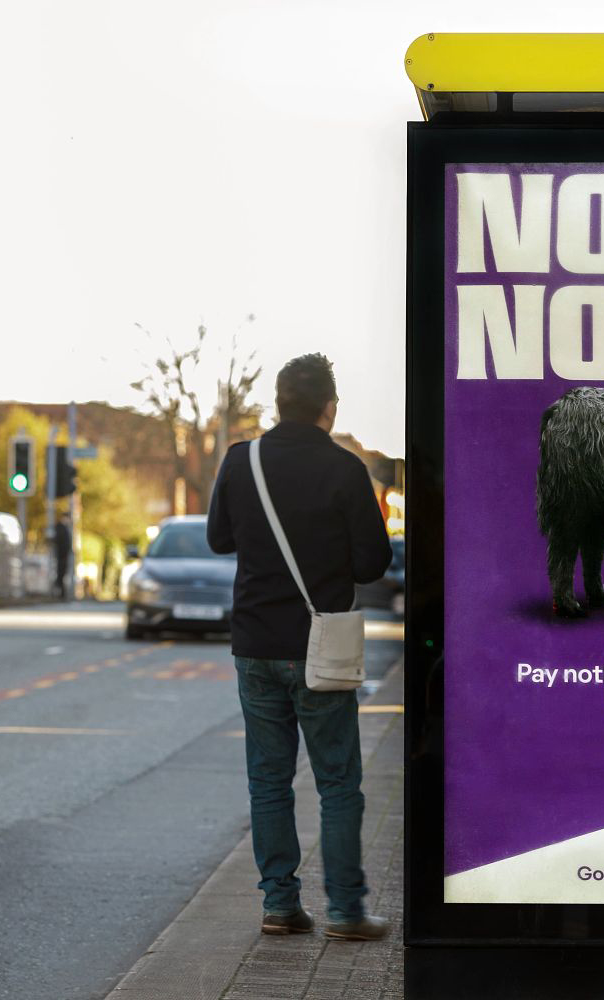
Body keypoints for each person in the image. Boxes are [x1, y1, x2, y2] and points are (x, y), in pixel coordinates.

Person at [207, 353, 393, 941]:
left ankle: (280, 906)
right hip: (323, 648)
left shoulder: (243, 462)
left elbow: (218, 539)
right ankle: (344, 910)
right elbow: (373, 562)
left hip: (256, 644)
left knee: (269, 781)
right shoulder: (346, 470)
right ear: (329, 408)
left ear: (278, 404)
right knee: (338, 782)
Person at [52, 514, 72, 601]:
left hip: (63, 555)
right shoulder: (60, 527)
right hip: (61, 555)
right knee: (60, 574)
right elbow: (60, 541)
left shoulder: (64, 528)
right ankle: (60, 593)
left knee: (62, 574)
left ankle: (62, 594)